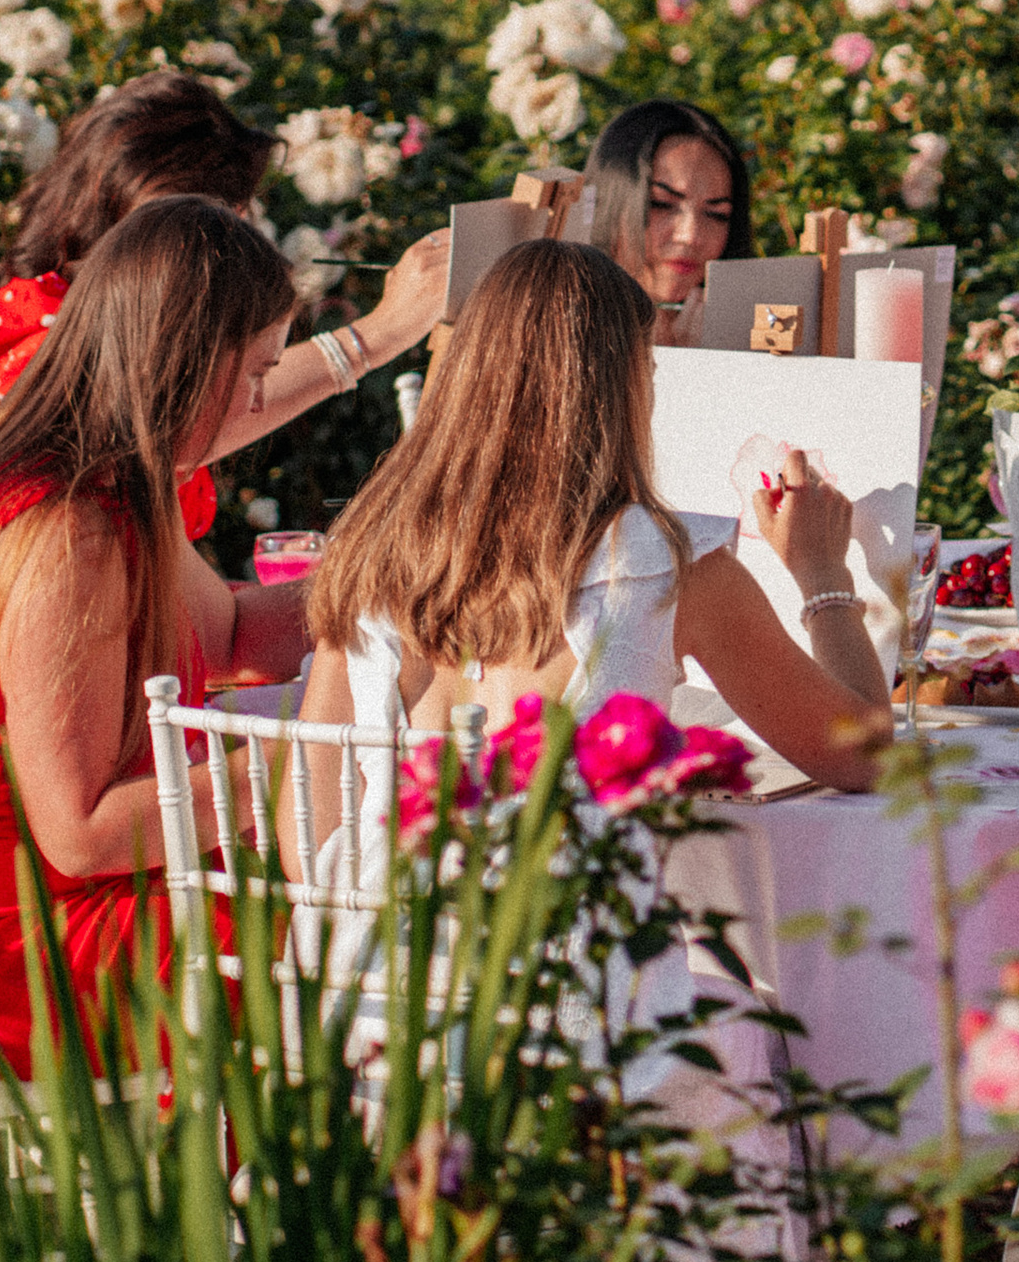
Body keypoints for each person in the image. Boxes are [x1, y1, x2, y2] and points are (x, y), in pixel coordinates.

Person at [0, 199, 309, 1075]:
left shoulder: (119, 477)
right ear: (188, 360)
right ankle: (266, 1207)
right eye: (254, 373)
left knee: (348, 917)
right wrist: (305, 771)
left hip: (51, 902)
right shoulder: (66, 531)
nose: (255, 403)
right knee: (339, 943)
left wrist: (418, 581)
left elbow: (235, 630)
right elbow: (80, 832)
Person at [301, 238, 891, 828]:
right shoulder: (670, 566)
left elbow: (306, 823)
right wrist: (822, 574)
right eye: (650, 372)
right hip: (574, 922)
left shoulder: (366, 554)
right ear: (620, 392)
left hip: (386, 917)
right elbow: (864, 756)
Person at [0, 68, 451, 539]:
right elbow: (148, 432)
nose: (244, 233)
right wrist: (378, 334)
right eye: (224, 224)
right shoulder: (36, 335)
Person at [584, 98, 755, 346]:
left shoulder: (747, 337)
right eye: (661, 203)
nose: (690, 235)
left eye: (717, 214)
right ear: (610, 201)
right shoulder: (552, 333)